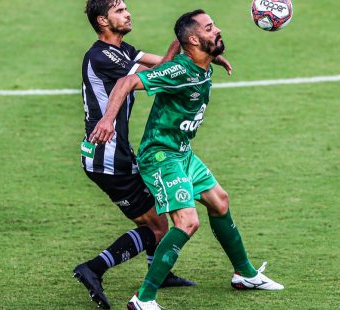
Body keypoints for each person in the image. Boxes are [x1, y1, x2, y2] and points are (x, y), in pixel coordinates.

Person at [89, 9, 284, 310]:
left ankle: (244, 274)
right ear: (194, 39)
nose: (217, 30)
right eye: (209, 28)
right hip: (161, 156)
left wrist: (211, 55)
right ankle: (143, 298)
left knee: (220, 202)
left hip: (182, 152)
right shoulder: (179, 71)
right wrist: (107, 121)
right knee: (187, 222)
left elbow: (185, 48)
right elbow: (125, 83)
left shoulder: (199, 61)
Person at [74, 1, 231, 309]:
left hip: (116, 153)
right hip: (107, 159)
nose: (128, 13)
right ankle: (93, 268)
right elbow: (159, 74)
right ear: (103, 21)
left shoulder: (122, 49)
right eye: (119, 10)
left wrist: (205, 53)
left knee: (161, 207)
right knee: (158, 226)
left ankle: (160, 271)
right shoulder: (101, 55)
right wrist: (183, 45)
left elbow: (168, 65)